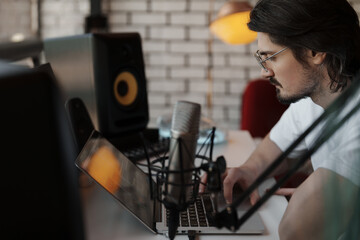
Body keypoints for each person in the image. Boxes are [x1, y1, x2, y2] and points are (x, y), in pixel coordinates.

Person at [200, 0, 360, 239]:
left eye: (270, 57)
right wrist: (248, 171)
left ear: (314, 52)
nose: (265, 71)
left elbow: (294, 231)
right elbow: (276, 146)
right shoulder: (313, 100)